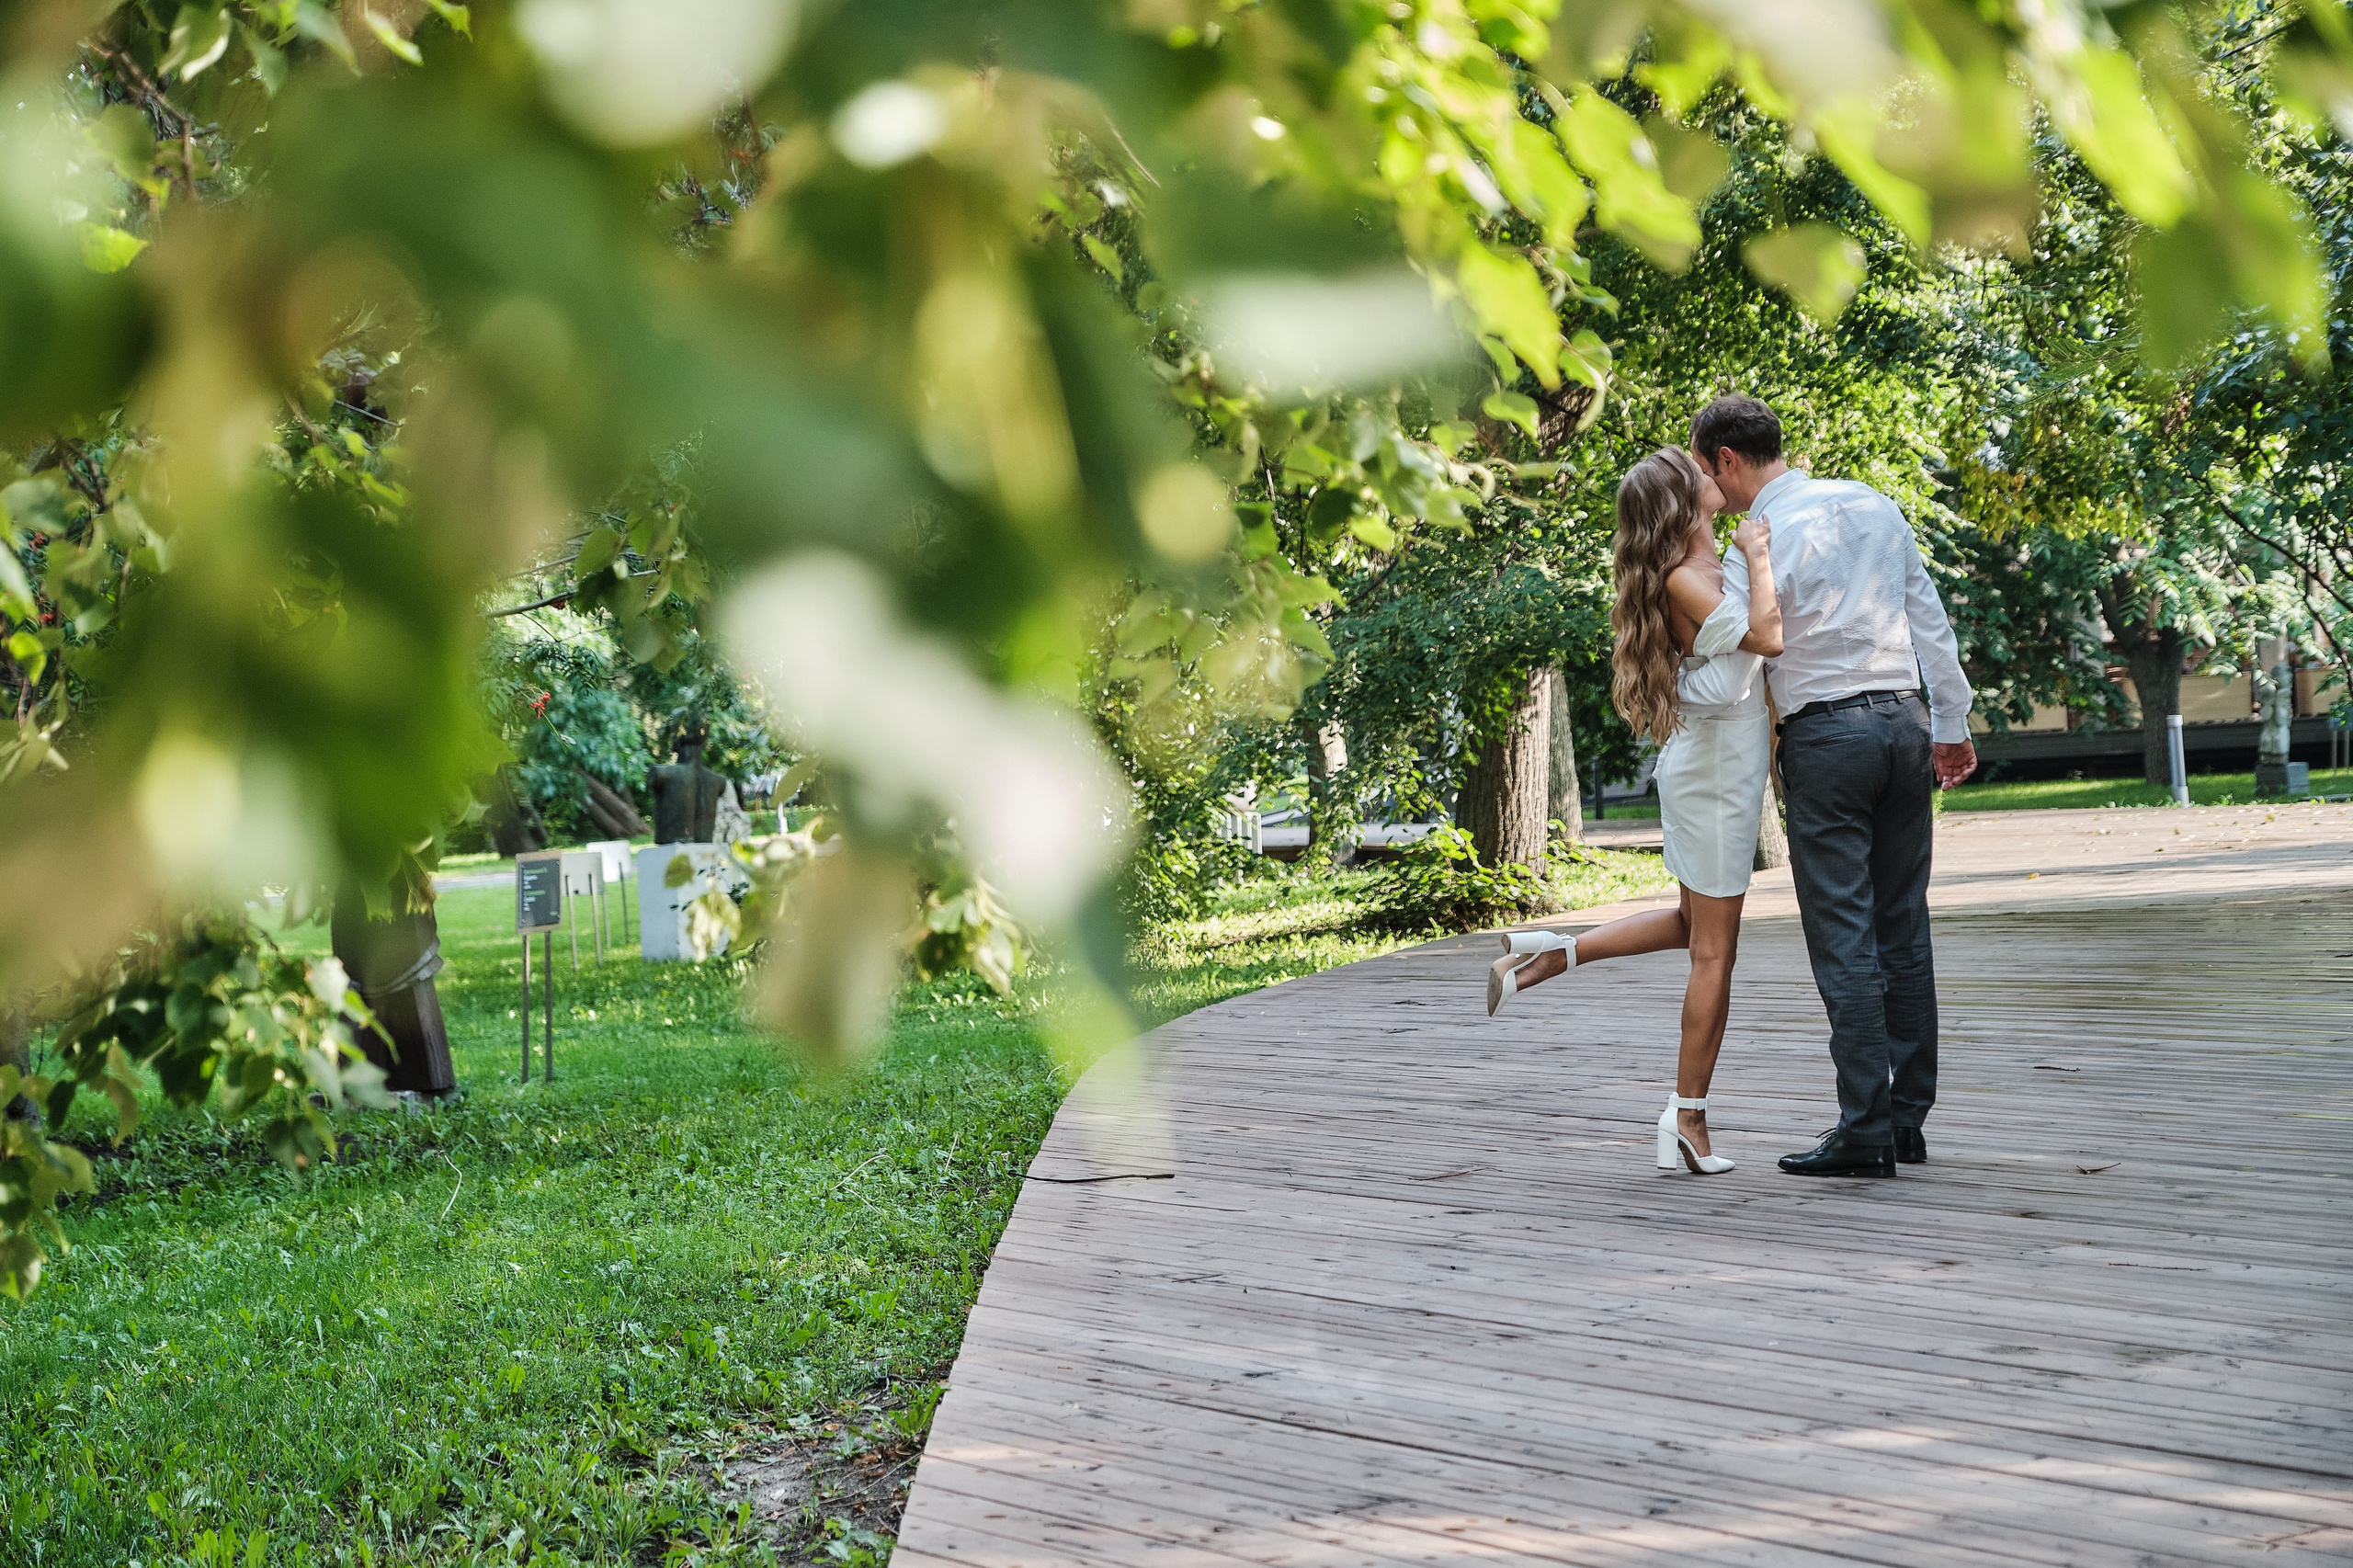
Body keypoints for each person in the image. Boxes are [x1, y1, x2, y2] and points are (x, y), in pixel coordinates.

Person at [1485, 446, 1782, 1177]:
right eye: (1701, 471)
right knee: (1715, 953)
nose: (1718, 474)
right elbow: (1764, 645)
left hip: (1715, 772)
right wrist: (1757, 558)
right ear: (1685, 499)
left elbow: (1732, 671)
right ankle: (1688, 1118)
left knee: (1693, 928)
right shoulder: (1688, 579)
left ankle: (1554, 954)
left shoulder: (1702, 573)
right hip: (1714, 779)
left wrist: (1745, 561)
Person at [1699, 395, 1976, 1176]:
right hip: (1902, 722)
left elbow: (1742, 660)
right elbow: (1929, 618)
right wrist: (1950, 724)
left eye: (1706, 470)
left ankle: (1865, 1130)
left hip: (1826, 738)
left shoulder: (1753, 542)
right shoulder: (1871, 503)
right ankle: (1907, 1121)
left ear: (1726, 459)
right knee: (1902, 924)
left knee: (1844, 936)